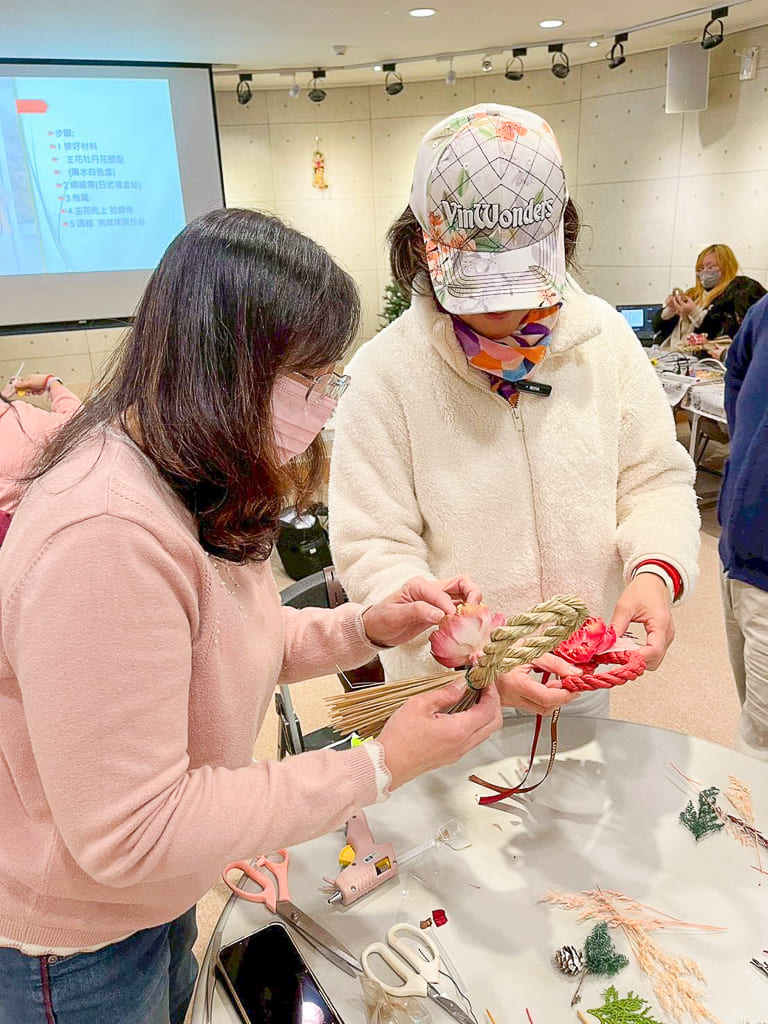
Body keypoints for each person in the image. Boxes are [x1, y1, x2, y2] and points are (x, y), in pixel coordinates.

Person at [0, 208, 507, 1024]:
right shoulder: (105, 535)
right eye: (309, 380)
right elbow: (133, 829)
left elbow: (224, 647)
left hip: (148, 900)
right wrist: (377, 765)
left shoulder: (183, 469)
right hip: (75, 945)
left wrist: (365, 628)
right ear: (223, 369)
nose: (322, 404)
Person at [329, 104, 701, 718]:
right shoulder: (384, 374)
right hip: (444, 691)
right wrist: (476, 656)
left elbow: (654, 480)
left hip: (579, 673)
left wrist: (655, 572)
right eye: (476, 281)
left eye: (519, 277)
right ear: (422, 246)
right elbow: (373, 546)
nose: (500, 309)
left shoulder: (603, 343)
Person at [718, 292, 768, 760]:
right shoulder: (763, 313)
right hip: (740, 554)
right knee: (755, 726)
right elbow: (737, 377)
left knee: (761, 748)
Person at [653, 244, 766, 357]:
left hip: (706, 360)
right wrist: (669, 311)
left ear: (727, 266)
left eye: (711, 267)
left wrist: (694, 312)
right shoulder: (692, 294)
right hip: (670, 355)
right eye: (700, 269)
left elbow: (718, 331)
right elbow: (657, 328)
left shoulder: (739, 292)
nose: (705, 272)